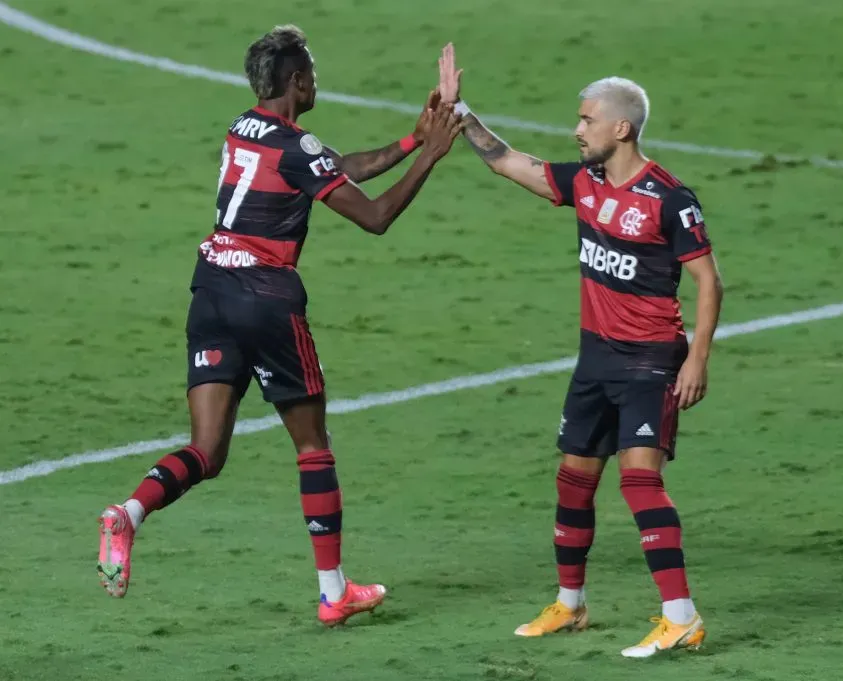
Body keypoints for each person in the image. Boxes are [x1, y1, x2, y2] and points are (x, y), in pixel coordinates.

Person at [96, 25, 462, 628]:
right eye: (311, 71)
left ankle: (128, 514)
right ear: (296, 81)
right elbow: (374, 217)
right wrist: (432, 154)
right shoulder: (296, 146)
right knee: (313, 446)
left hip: (211, 288)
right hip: (265, 298)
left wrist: (409, 139)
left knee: (206, 450)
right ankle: (332, 592)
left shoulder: (245, 128)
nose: (316, 80)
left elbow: (332, 168)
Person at [437, 44, 724, 658]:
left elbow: (709, 281)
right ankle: (570, 605)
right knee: (574, 482)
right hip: (595, 359)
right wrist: (460, 112)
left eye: (587, 119)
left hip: (650, 361)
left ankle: (681, 616)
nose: (577, 129)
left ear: (621, 128)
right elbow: (508, 162)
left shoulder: (671, 199)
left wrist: (697, 359)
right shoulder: (585, 183)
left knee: (639, 481)